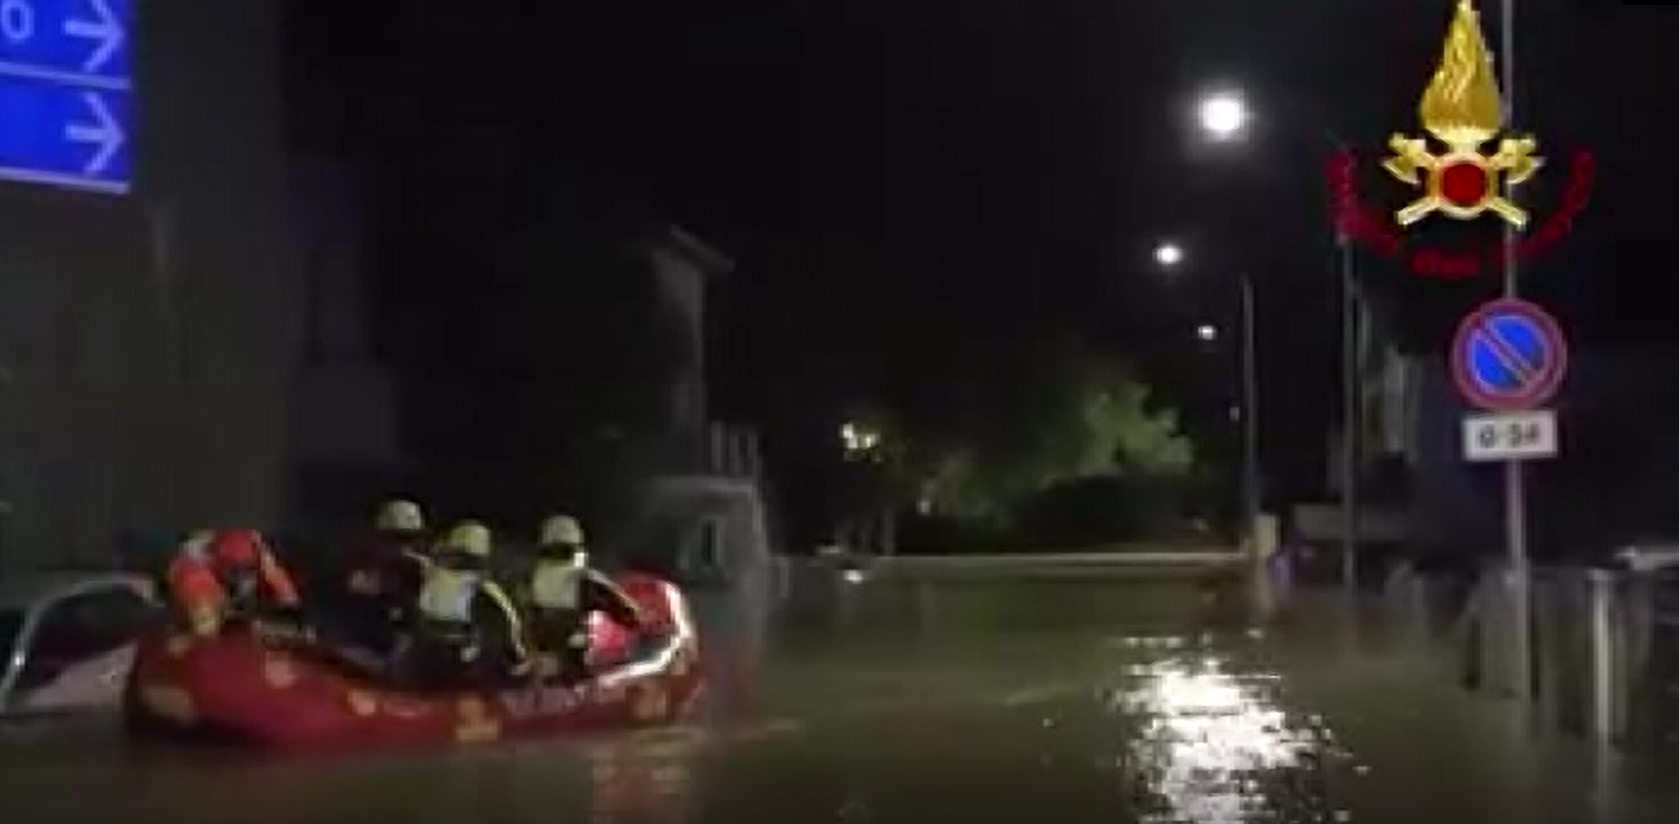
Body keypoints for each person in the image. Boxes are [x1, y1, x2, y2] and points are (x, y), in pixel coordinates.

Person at [398, 520, 531, 690]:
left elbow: (508, 627)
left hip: (439, 664)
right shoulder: (476, 588)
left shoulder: (439, 581)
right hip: (442, 663)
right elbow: (509, 634)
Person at [525, 514, 647, 683]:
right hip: (571, 671)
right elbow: (630, 615)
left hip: (532, 667)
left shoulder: (528, 579)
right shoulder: (585, 580)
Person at [166, 528, 302, 637]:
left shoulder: (258, 555)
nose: (244, 576)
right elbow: (204, 627)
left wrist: (287, 611)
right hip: (191, 610)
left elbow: (290, 602)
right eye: (237, 571)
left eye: (248, 568)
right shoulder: (195, 574)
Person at [343, 498, 433, 653]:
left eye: (409, 538)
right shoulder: (362, 576)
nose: (403, 547)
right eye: (394, 538)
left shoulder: (427, 572)